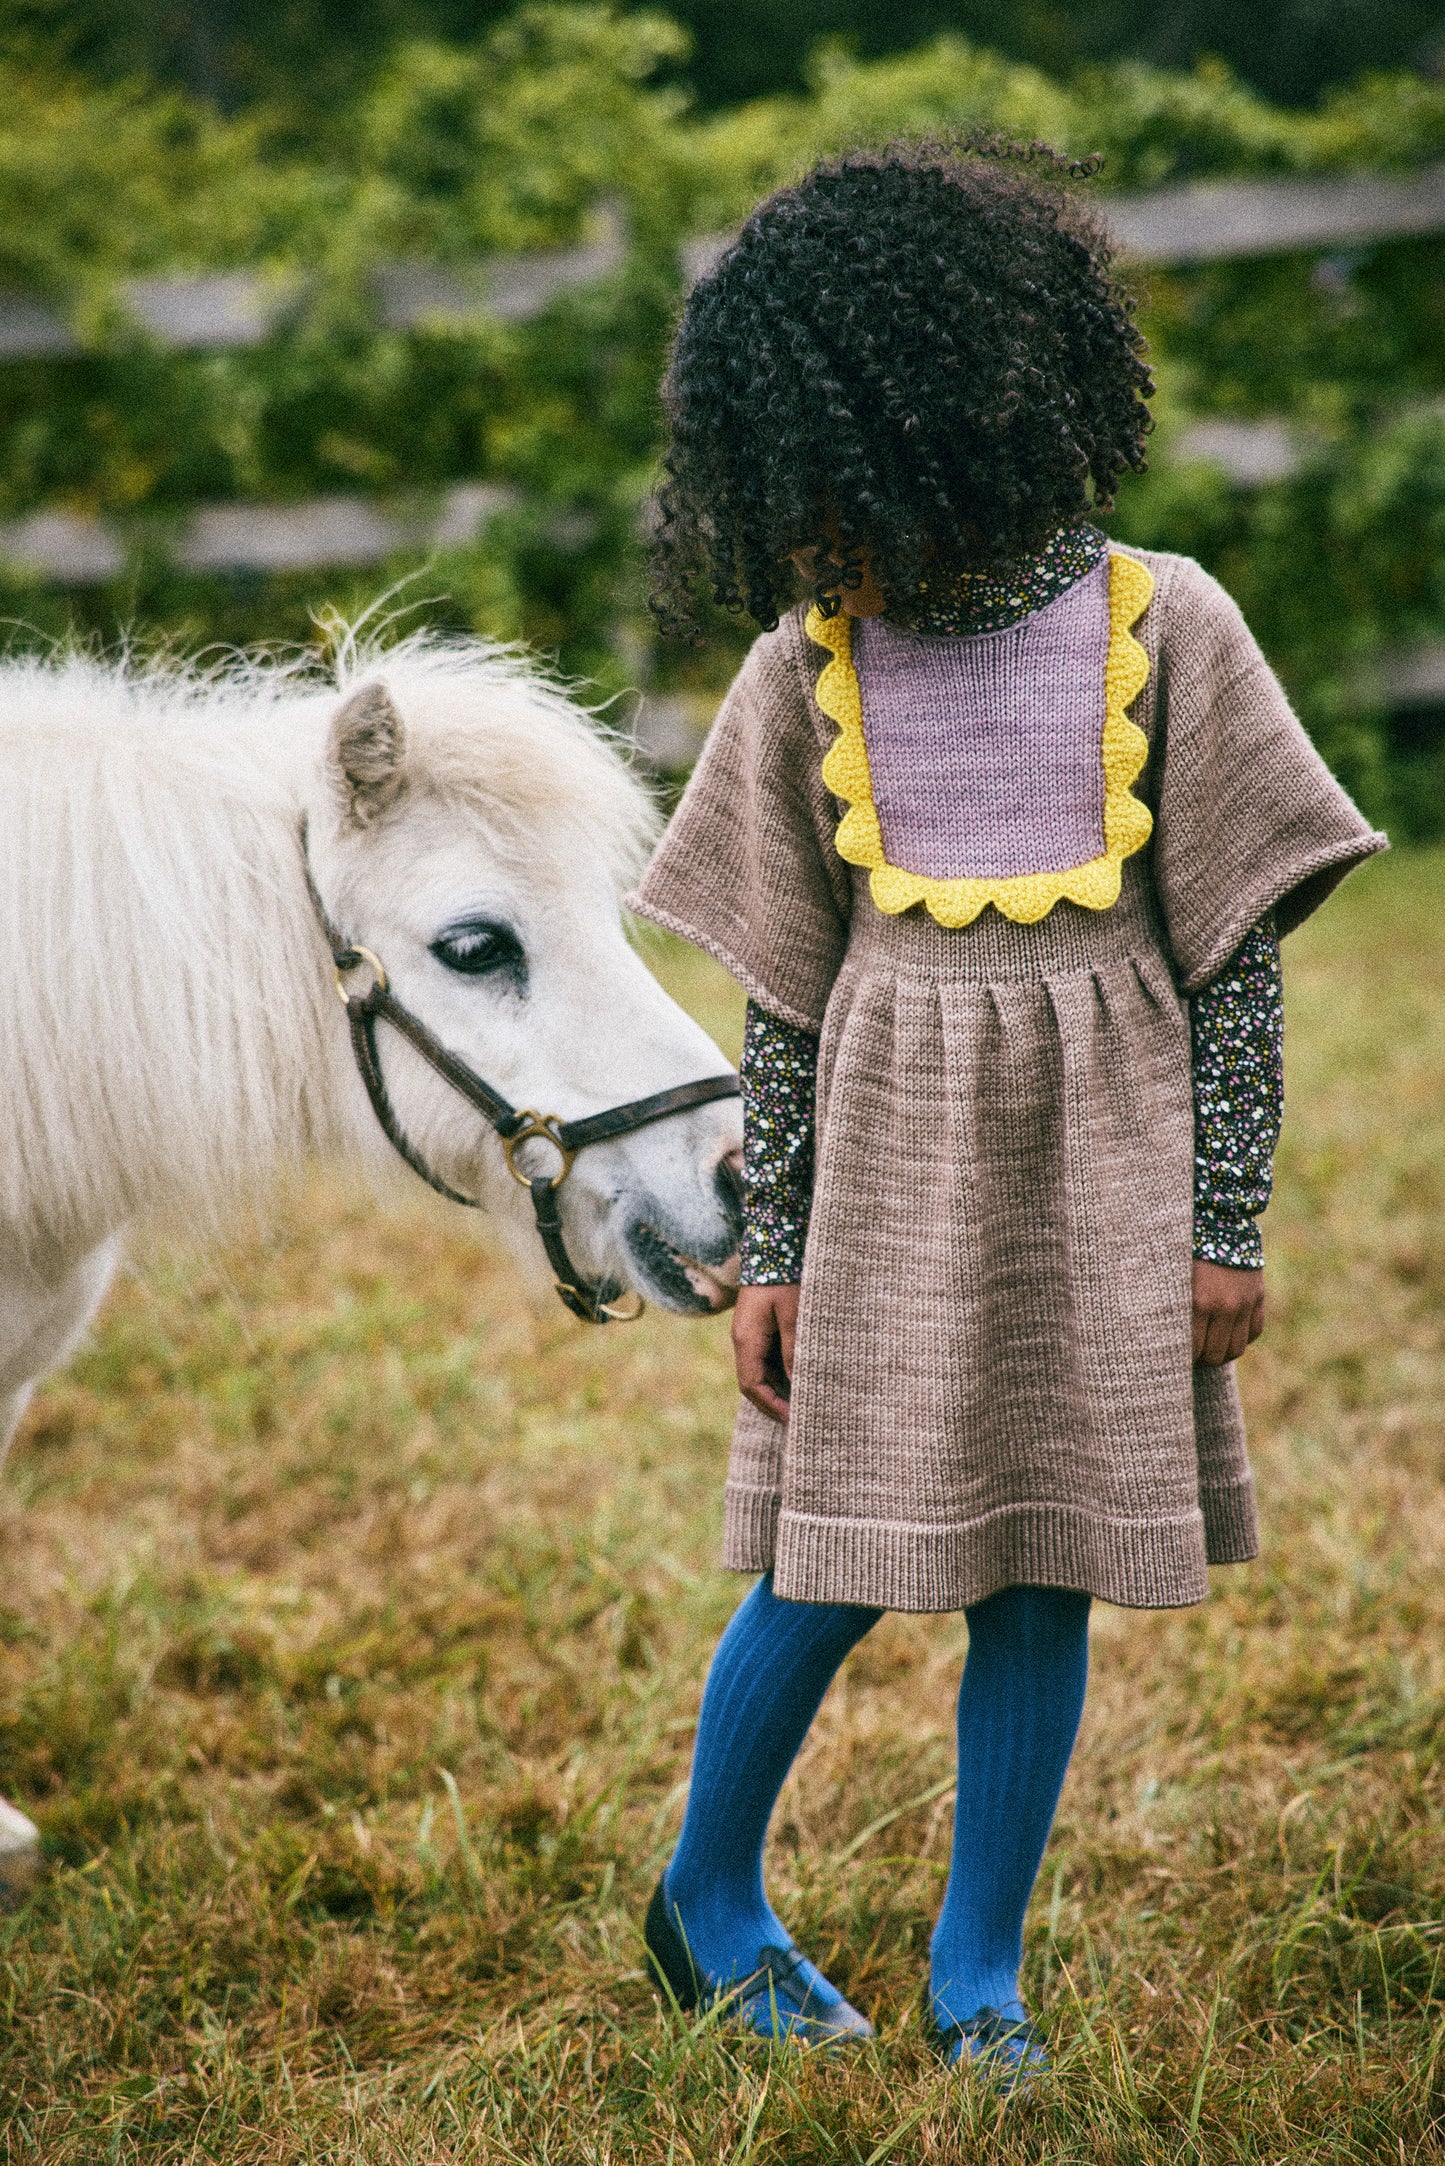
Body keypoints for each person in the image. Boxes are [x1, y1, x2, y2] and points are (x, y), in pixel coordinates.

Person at [627, 138, 1385, 2081]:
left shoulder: (1170, 628)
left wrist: (1227, 1223)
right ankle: (707, 1898)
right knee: (832, 1550)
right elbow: (780, 999)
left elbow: (1237, 959)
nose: (806, 534)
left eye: (826, 490)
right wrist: (772, 1251)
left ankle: (984, 1978)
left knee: (1041, 1561)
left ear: (942, 431)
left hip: (1098, 1177)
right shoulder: (806, 673)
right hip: (886, 1183)